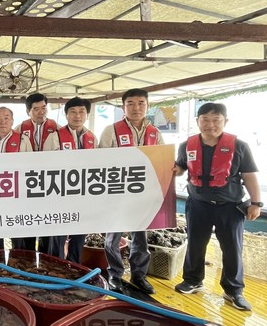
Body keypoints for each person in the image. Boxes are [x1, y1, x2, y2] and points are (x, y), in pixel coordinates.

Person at [173, 103, 261, 311]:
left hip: (230, 207)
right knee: (195, 244)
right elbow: (181, 168)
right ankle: (192, 280)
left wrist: (256, 203)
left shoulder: (240, 146)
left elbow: (249, 176)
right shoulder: (187, 145)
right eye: (205, 119)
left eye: (216, 120)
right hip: (198, 205)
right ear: (197, 121)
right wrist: (172, 169)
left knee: (232, 248)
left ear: (225, 121)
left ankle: (233, 290)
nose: (210, 124)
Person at [98, 88, 163, 294]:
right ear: (123, 107)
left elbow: (162, 162)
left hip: (143, 195)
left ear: (148, 106)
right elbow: (99, 161)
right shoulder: (111, 130)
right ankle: (115, 274)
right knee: (113, 237)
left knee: (141, 237)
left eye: (141, 103)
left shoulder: (155, 133)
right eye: (131, 104)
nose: (136, 108)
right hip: (117, 192)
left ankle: (139, 275)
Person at [44, 97, 97, 262]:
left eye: (81, 112)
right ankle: (55, 266)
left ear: (87, 115)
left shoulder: (92, 138)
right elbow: (44, 166)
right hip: (59, 194)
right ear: (66, 115)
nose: (77, 116)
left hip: (83, 194)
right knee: (58, 234)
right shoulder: (55, 137)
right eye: (73, 112)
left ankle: (75, 267)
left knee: (79, 234)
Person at [15, 93, 57, 253]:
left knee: (47, 222)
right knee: (28, 221)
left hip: (49, 183)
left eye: (44, 108)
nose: (41, 112)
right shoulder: (20, 129)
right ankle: (28, 256)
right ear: (28, 111)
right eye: (36, 109)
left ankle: (46, 257)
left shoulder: (57, 128)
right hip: (27, 183)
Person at [0, 107, 32, 252]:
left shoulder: (22, 140)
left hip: (16, 194)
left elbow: (30, 166)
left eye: (6, 118)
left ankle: (17, 262)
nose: (2, 122)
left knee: (16, 231)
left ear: (12, 121)